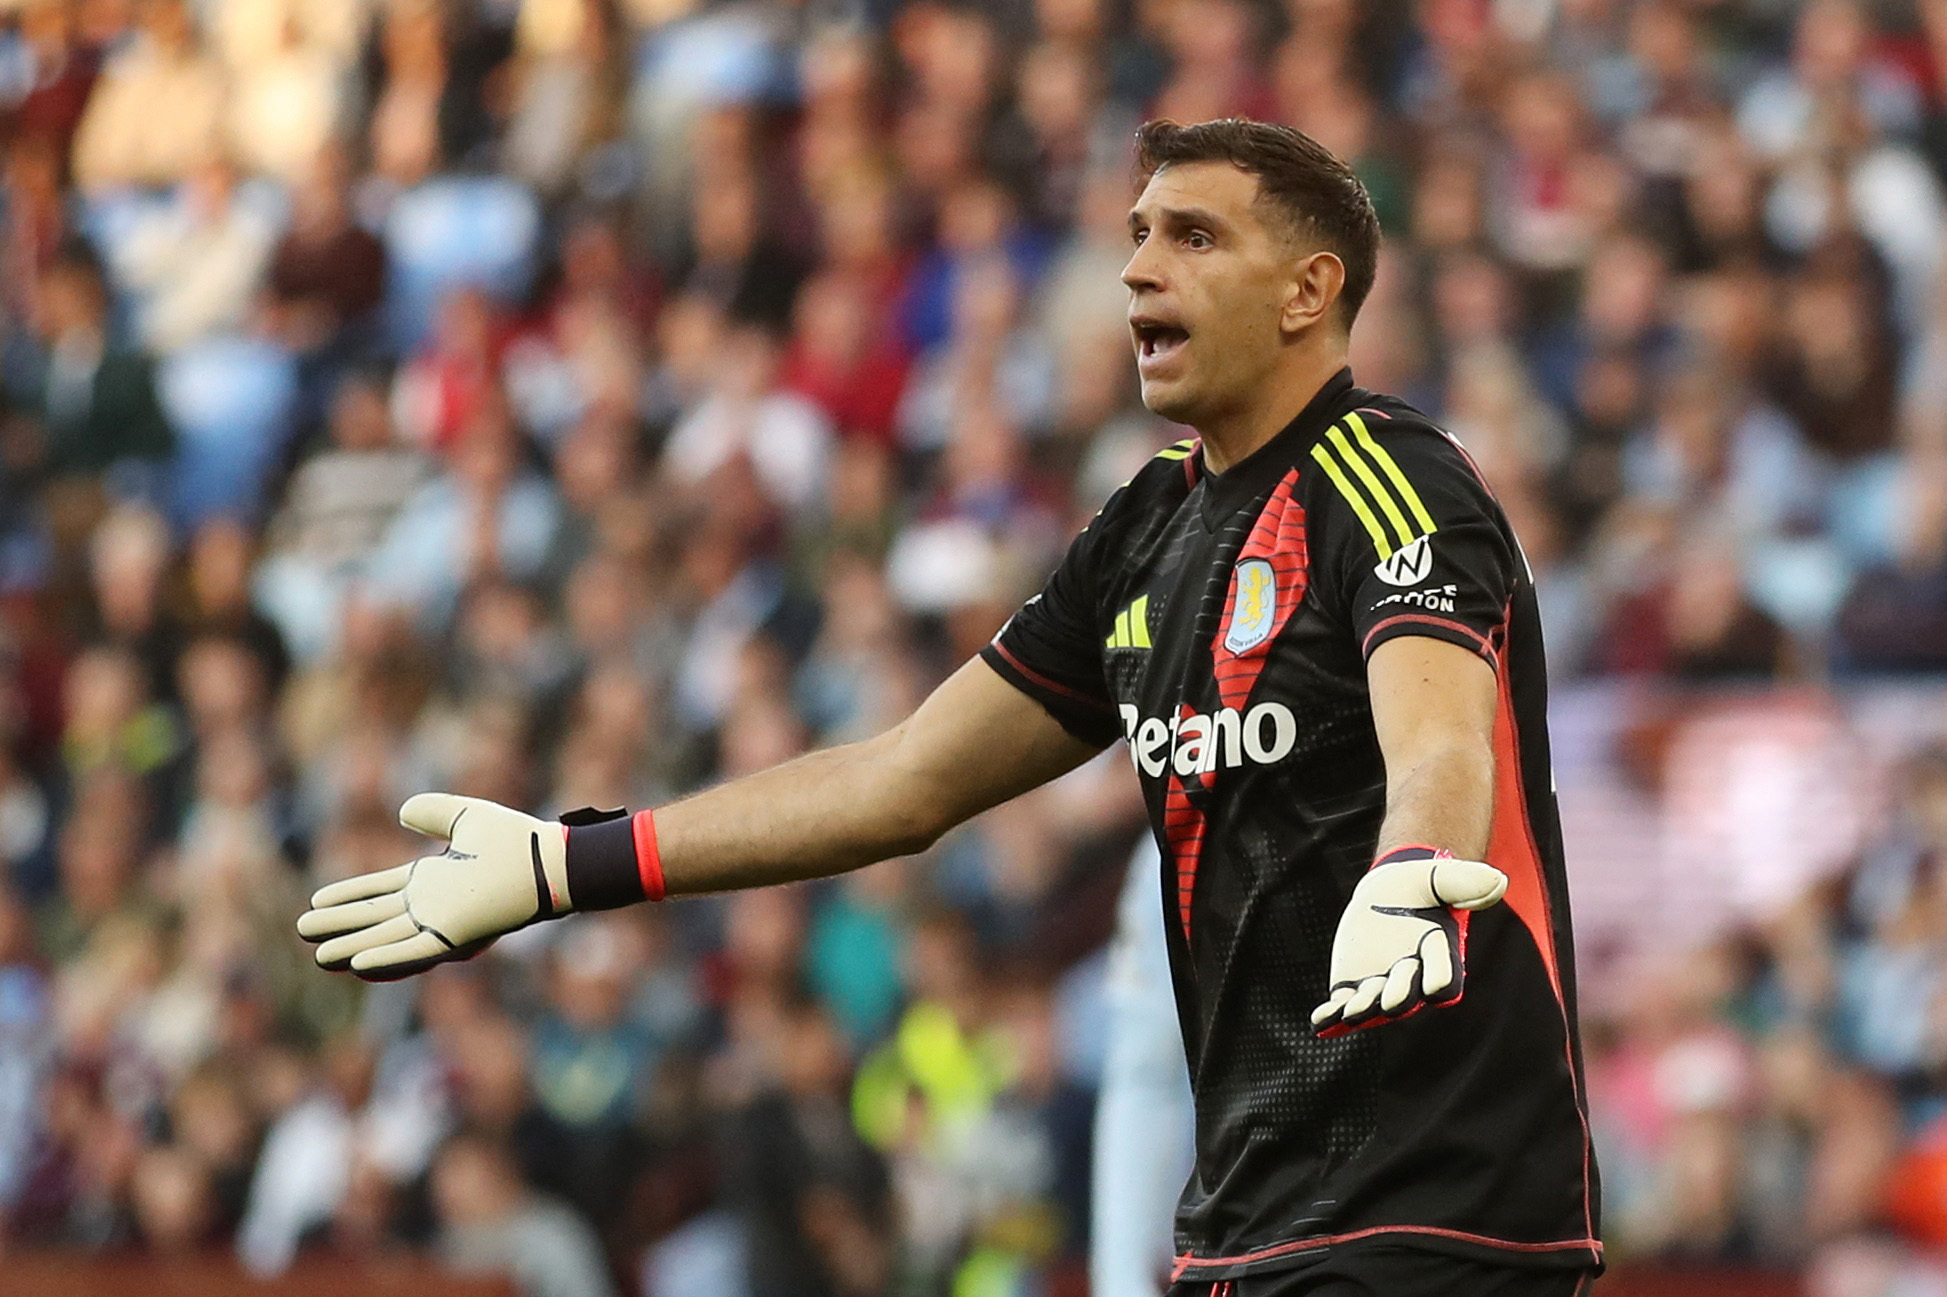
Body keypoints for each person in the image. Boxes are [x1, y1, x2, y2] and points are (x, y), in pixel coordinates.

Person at [297, 118, 1602, 1297]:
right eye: (1138, 236)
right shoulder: (1145, 531)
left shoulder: (1394, 479)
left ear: (1312, 289)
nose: (1141, 271)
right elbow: (903, 779)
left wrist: (1420, 858)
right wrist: (562, 861)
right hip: (1248, 1222)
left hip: (1446, 1212)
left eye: (1194, 237)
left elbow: (1434, 723)